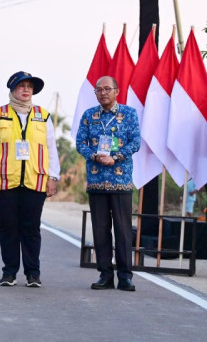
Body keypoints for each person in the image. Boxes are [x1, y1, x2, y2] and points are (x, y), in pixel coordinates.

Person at [0, 71, 60, 288]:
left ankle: (33, 273)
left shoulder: (43, 116)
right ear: (12, 89)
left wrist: (53, 177)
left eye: (29, 86)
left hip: (35, 180)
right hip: (5, 181)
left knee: (31, 228)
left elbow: (51, 149)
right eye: (21, 86)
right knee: (8, 227)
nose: (26, 90)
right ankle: (9, 272)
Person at [76, 76, 141, 291]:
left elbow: (136, 142)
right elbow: (79, 143)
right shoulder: (89, 116)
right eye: (99, 90)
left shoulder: (129, 114)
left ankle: (125, 276)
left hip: (121, 180)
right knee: (100, 230)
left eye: (107, 89)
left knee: (123, 230)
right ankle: (105, 274)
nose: (103, 93)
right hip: (96, 181)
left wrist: (117, 157)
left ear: (117, 91)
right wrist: (95, 156)